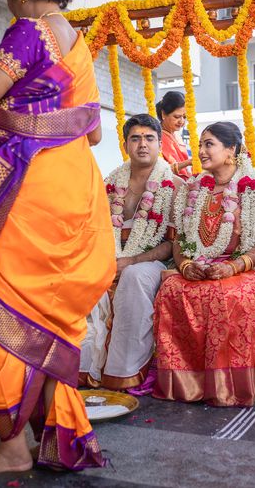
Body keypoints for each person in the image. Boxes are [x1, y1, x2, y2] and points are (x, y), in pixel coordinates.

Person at [0, 0, 114, 475]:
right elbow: (91, 132)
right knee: (47, 316)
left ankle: (12, 446)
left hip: (26, 187)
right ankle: (51, 434)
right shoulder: (77, 42)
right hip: (75, 187)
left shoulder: (29, 30)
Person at [153, 121, 255, 407]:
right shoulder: (192, 190)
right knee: (172, 288)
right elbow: (179, 239)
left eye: (208, 144)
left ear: (231, 150)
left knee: (228, 295)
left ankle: (229, 387)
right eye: (200, 144)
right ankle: (189, 383)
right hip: (200, 264)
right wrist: (186, 265)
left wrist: (234, 267)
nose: (200, 151)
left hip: (248, 266)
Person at [80, 114, 181, 393]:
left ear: (160, 144)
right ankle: (81, 366)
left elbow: (172, 244)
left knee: (135, 276)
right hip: (109, 256)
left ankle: (122, 373)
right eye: (135, 138)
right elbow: (95, 230)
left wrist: (131, 261)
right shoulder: (110, 184)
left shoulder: (174, 186)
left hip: (154, 260)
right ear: (126, 145)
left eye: (149, 138)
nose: (142, 145)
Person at [157, 91, 191, 179]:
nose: (181, 121)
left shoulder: (176, 135)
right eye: (176, 117)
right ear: (163, 114)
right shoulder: (155, 137)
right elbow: (161, 171)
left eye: (184, 117)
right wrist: (189, 162)